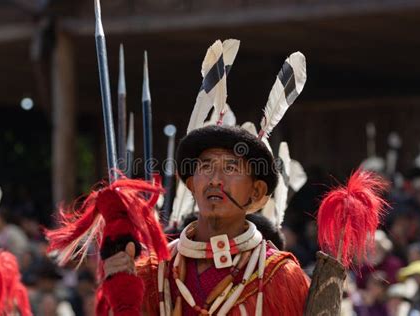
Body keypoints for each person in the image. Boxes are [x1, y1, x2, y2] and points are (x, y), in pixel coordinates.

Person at [99, 125, 310, 315]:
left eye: (230, 168)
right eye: (206, 167)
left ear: (256, 191)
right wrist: (120, 298)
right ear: (191, 185)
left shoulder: (280, 276)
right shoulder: (155, 274)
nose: (215, 180)